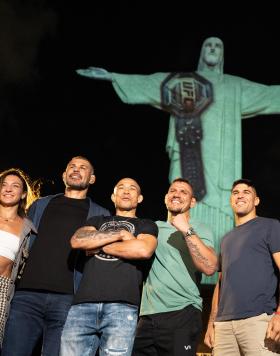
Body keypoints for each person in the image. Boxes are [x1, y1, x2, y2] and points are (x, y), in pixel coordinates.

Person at [76, 37, 280, 283]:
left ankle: (217, 274)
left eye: (218, 46)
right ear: (202, 52)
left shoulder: (233, 86)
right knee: (182, 201)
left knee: (220, 217)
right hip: (189, 161)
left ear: (223, 54)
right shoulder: (184, 83)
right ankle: (178, 269)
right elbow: (152, 83)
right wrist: (114, 76)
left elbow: (269, 94)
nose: (213, 50)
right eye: (209, 45)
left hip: (222, 167)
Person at [1, 156, 110, 356]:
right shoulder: (40, 205)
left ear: (92, 179)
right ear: (64, 175)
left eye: (83, 167)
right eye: (72, 166)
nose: (76, 170)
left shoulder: (101, 213)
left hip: (68, 301)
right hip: (26, 296)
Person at [59, 177, 158, 356]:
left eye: (132, 189)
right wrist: (121, 234)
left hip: (122, 307)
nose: (126, 191)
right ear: (113, 196)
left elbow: (143, 250)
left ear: (140, 198)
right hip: (82, 305)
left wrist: (97, 244)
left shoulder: (146, 225)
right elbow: (77, 241)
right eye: (121, 187)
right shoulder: (96, 220)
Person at [131, 178, 218, 356]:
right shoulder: (153, 228)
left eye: (183, 192)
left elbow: (210, 267)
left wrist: (186, 229)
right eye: (173, 191)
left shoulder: (200, 228)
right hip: (147, 317)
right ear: (165, 198)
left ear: (192, 202)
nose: (177, 194)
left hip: (183, 314)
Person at [204, 179, 280, 355]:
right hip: (223, 327)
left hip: (257, 321)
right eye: (235, 192)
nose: (240, 195)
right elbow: (220, 284)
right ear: (231, 200)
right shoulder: (225, 239)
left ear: (256, 201)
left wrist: (278, 315)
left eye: (246, 192)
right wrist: (211, 323)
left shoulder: (270, 226)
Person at [0, 168, 38, 348]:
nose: (8, 189)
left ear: (23, 194)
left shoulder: (28, 228)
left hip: (3, 287)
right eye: (4, 185)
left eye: (15, 186)